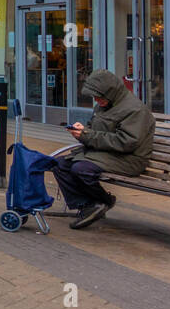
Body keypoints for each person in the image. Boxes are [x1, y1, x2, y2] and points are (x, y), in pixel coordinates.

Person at [53, 70, 155, 230]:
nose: (96, 100)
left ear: (110, 92)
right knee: (58, 164)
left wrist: (87, 135)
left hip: (129, 159)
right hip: (106, 153)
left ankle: (104, 202)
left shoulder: (135, 110)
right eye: (94, 96)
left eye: (99, 96)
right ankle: (87, 206)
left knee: (81, 169)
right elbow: (96, 129)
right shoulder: (103, 105)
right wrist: (82, 131)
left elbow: (126, 142)